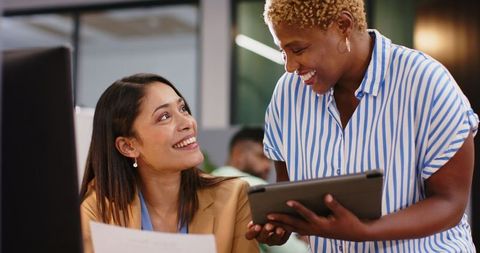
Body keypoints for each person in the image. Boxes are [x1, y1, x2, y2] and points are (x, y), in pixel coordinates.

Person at [246, 0, 479, 252]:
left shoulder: (425, 82)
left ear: (343, 25)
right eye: (283, 52)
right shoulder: (287, 94)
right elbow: (288, 193)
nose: (290, 66)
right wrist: (281, 224)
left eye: (298, 49)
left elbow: (450, 203)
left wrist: (366, 232)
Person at [79, 73, 259, 253]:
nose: (187, 122)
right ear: (128, 146)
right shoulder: (98, 210)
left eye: (183, 109)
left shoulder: (233, 198)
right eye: (164, 117)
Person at [212, 126, 310, 253]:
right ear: (238, 154)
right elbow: (292, 251)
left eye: (269, 160)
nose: (267, 166)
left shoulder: (208, 183)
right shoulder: (255, 187)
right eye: (261, 157)